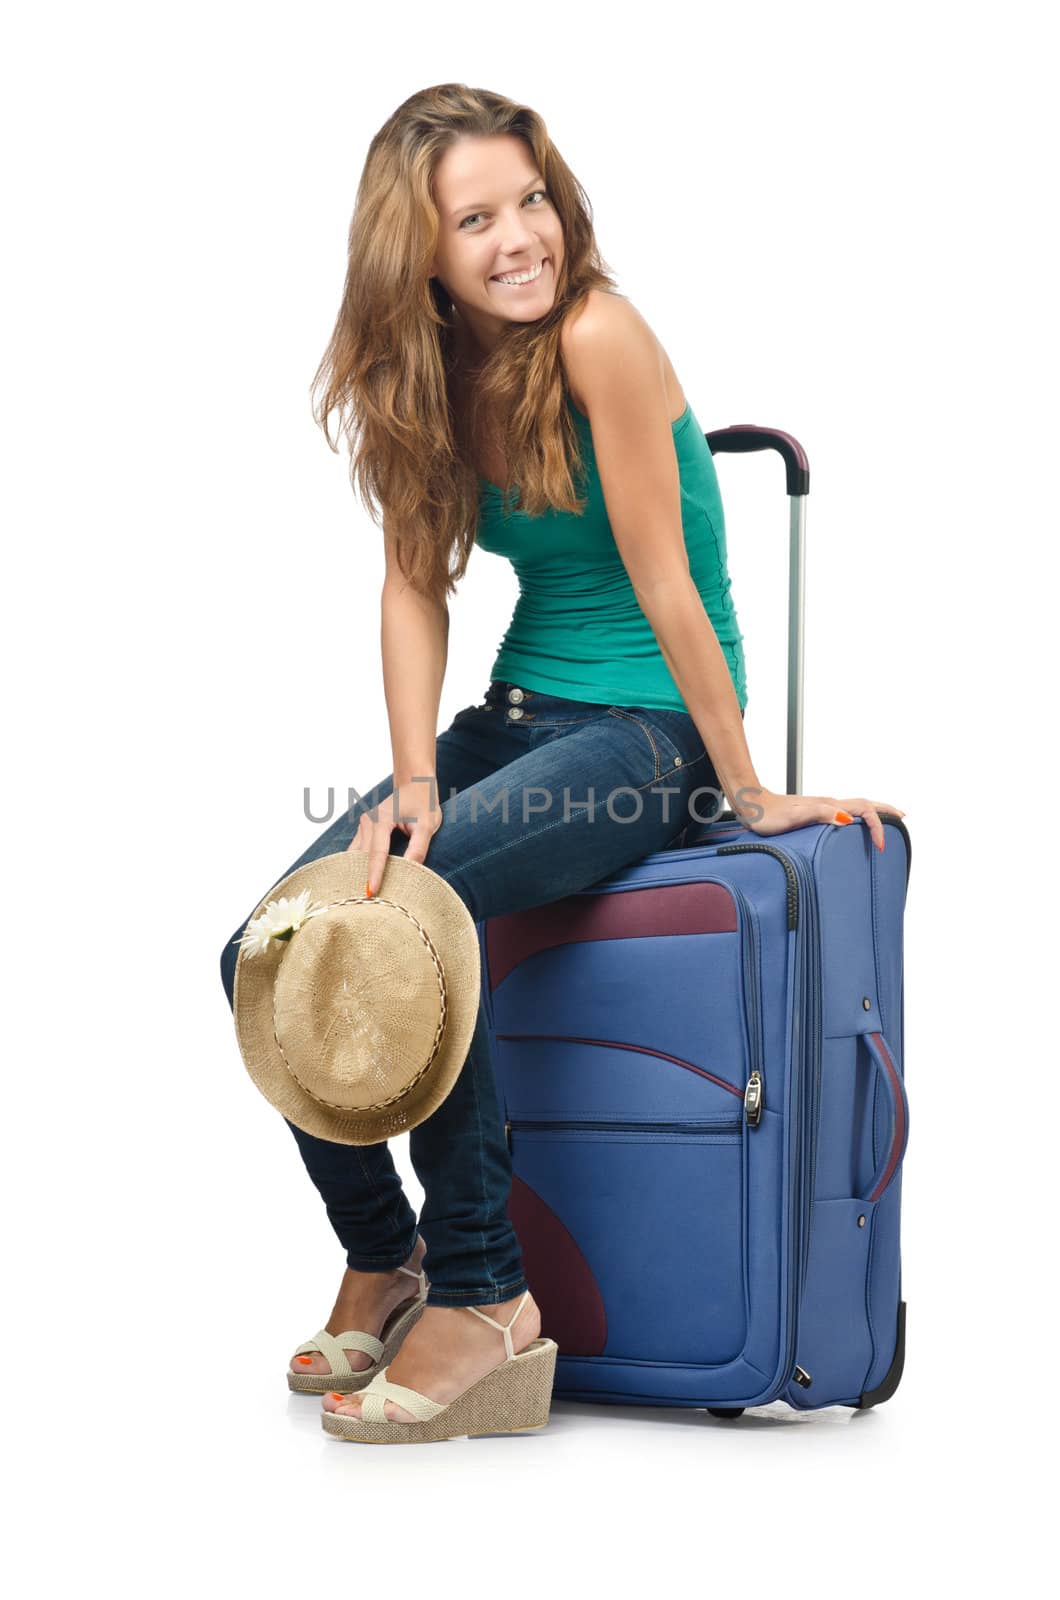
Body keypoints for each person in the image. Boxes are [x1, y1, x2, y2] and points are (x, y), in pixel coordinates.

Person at [219, 82, 905, 1435]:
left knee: (421, 915)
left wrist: (748, 786)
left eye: (530, 198)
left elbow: (669, 586)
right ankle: (386, 1253)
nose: (518, 236)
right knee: (268, 948)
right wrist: (416, 780)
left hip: (645, 735)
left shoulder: (602, 333)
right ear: (415, 252)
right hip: (519, 714)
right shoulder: (421, 371)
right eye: (475, 218)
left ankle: (488, 1300)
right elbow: (414, 586)